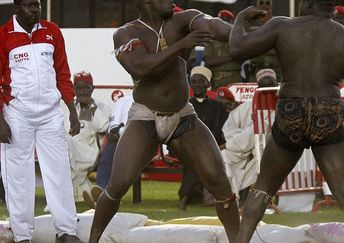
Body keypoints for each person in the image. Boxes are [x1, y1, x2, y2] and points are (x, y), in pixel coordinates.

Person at [89, 1, 240, 242]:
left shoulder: (181, 20)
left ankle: (238, 240)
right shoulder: (126, 33)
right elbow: (139, 67)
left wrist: (240, 28)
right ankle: (93, 239)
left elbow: (212, 26)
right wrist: (181, 45)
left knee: (220, 181)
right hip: (145, 116)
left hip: (183, 115)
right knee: (117, 186)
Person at [229, 1, 344, 242]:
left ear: (307, 3)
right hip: (327, 109)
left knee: (263, 188)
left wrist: (241, 18)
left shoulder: (282, 27)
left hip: (291, 110)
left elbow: (237, 48)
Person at [0, 0, 83, 242]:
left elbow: (62, 72)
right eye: (28, 5)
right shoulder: (4, 35)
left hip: (50, 114)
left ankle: (67, 231)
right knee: (18, 175)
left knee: (59, 171)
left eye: (36, 4)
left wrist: (72, 109)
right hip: (16, 113)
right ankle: (22, 234)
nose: (35, 9)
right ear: (16, 9)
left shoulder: (52, 31)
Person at [222, 69, 278, 208]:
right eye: (263, 86)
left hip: (272, 152)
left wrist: (247, 139)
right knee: (224, 156)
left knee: (260, 155)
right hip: (241, 151)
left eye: (270, 85)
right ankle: (232, 199)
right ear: (258, 87)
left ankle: (255, 200)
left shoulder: (283, 106)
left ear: (276, 85)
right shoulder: (245, 108)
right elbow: (229, 130)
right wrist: (245, 141)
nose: (267, 89)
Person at [178, 66, 229, 210]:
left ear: (208, 84)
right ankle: (186, 198)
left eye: (201, 81)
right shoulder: (185, 106)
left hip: (214, 147)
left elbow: (224, 130)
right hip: (189, 147)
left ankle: (187, 197)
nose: (197, 85)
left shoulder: (218, 107)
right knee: (193, 158)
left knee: (201, 158)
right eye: (194, 82)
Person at [68, 71, 111, 207]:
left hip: (91, 151)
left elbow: (104, 128)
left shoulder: (102, 107)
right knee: (66, 144)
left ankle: (68, 195)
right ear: (73, 89)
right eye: (78, 88)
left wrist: (92, 108)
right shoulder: (69, 106)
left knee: (66, 146)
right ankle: (86, 192)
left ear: (92, 88)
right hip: (69, 150)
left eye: (85, 87)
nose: (82, 91)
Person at [89, 94, 134, 207]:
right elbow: (113, 124)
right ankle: (102, 192)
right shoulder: (123, 101)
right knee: (109, 151)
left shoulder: (150, 100)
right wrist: (116, 131)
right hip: (120, 138)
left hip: (142, 141)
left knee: (121, 159)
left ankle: (108, 198)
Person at [200, 10, 243, 89]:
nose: (223, 23)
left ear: (232, 22)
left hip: (236, 80)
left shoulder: (237, 38)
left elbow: (243, 56)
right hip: (218, 81)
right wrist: (231, 57)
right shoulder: (210, 39)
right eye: (221, 20)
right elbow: (208, 61)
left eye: (226, 20)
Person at [245, 0, 282, 83]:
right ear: (257, 5)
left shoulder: (278, 23)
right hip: (255, 71)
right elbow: (248, 47)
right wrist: (272, 46)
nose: (264, 5)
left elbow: (282, 47)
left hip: (276, 71)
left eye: (267, 3)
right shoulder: (250, 24)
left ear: (272, 5)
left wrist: (259, 46)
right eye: (261, 3)